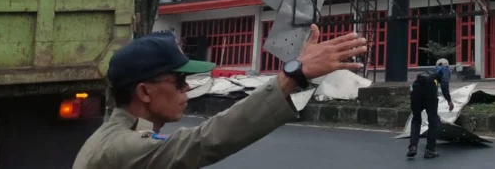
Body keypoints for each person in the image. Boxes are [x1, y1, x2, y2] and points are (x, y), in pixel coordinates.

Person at [74, 26, 366, 169]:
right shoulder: (124, 147)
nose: (187, 88)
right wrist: (292, 76)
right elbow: (207, 139)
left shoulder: (115, 136)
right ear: (144, 92)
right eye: (179, 80)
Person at [408, 58, 455, 159]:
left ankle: (412, 147)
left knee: (416, 119)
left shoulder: (427, 72)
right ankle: (429, 150)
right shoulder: (445, 70)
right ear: (446, 66)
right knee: (433, 121)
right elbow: (444, 85)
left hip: (415, 93)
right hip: (429, 95)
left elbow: (413, 86)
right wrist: (449, 101)